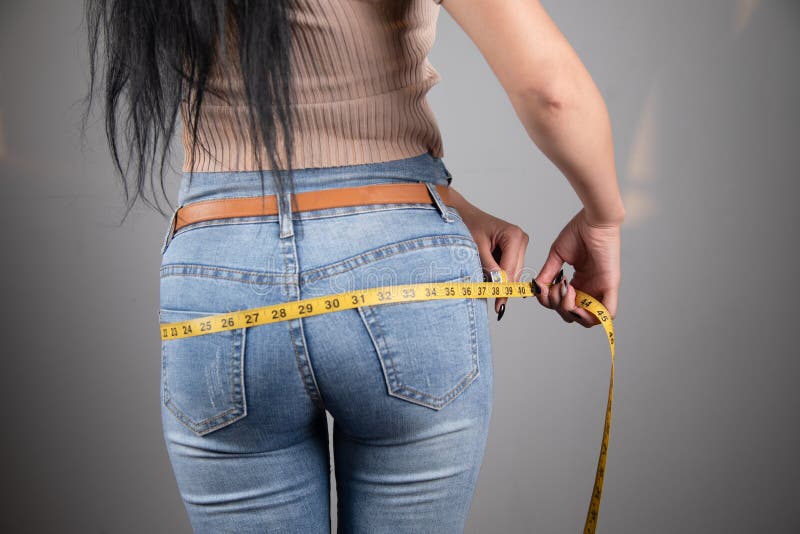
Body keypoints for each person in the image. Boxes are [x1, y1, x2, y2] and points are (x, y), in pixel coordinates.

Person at [83, 0, 623, 532]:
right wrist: (602, 220)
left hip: (215, 275)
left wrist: (447, 203)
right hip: (402, 275)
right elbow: (552, 91)